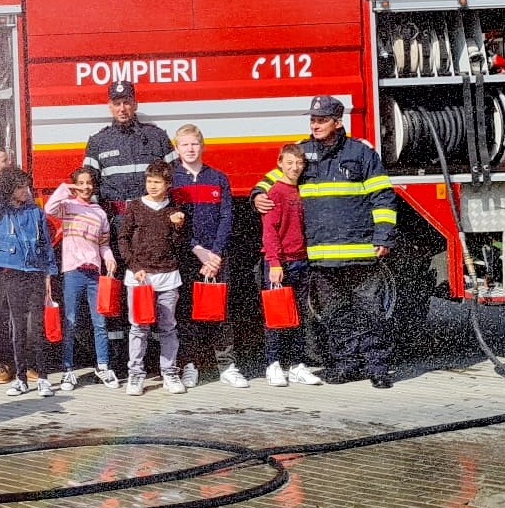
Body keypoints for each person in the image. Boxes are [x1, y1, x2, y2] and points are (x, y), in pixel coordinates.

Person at [256, 96, 398, 388]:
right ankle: (346, 365)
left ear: (338, 122)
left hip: (360, 252)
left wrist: (383, 234)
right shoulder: (302, 152)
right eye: (313, 120)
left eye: (321, 120)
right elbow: (272, 179)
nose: (315, 125)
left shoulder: (361, 152)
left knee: (369, 312)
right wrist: (257, 194)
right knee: (334, 315)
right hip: (321, 256)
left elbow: (382, 195)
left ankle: (377, 368)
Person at [81, 81, 173, 377]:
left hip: (152, 230)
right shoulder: (98, 142)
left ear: (135, 104)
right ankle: (121, 361)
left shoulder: (156, 137)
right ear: (109, 106)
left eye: (127, 102)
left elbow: (174, 182)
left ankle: (155, 360)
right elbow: (89, 190)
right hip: (118, 228)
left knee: (155, 291)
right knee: (119, 293)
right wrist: (100, 231)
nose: (122, 108)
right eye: (117, 103)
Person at [0, 143, 58, 397]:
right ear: (10, 189)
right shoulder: (0, 211)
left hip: (34, 272)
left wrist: (49, 274)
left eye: (27, 186)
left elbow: (45, 244)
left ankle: (43, 377)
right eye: (21, 187)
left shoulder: (36, 212)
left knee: (38, 327)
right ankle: (20, 378)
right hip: (10, 272)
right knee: (17, 326)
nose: (26, 191)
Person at [170, 124, 247, 389]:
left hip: (216, 257)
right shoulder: (172, 180)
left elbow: (227, 217)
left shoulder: (218, 178)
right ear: (177, 148)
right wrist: (197, 249)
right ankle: (189, 365)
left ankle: (227, 365)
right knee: (186, 311)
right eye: (185, 144)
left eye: (194, 144)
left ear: (202, 146)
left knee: (220, 310)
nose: (190, 149)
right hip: (187, 255)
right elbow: (173, 221)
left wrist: (215, 254)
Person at [254, 143, 325, 387]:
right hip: (280, 264)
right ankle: (273, 365)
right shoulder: (275, 193)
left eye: (299, 163)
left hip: (301, 261)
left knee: (299, 317)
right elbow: (269, 231)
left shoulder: (302, 191)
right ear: (280, 164)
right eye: (290, 163)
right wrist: (275, 263)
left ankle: (297, 365)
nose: (295, 168)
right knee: (275, 317)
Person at [120, 161, 190, 396]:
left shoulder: (175, 210)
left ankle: (169, 372)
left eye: (157, 182)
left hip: (168, 276)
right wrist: (134, 266)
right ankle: (135, 375)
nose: (152, 186)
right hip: (140, 278)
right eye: (149, 181)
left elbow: (179, 245)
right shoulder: (134, 207)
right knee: (139, 328)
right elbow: (123, 239)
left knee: (168, 327)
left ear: (168, 184)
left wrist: (179, 227)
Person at [47, 165, 119, 390]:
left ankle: (103, 366)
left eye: (89, 183)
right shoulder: (68, 206)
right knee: (71, 321)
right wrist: (66, 188)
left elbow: (104, 243)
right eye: (81, 183)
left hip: (94, 273)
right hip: (73, 272)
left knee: (100, 322)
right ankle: (67, 370)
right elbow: (49, 207)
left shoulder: (100, 213)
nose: (85, 187)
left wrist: (109, 258)